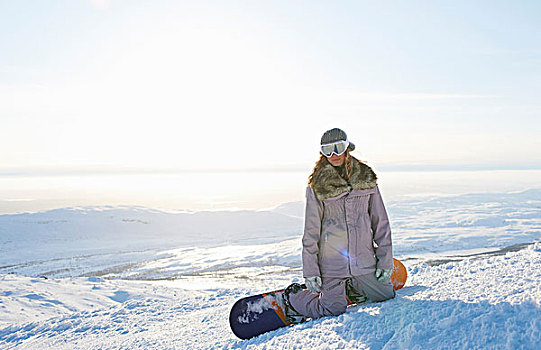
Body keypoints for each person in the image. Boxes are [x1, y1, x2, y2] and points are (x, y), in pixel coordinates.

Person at [283, 128, 395, 321]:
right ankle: (294, 297)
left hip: (363, 260)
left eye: (338, 148)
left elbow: (381, 223)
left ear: (347, 148)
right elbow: (311, 232)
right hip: (332, 264)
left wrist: (385, 260)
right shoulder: (316, 187)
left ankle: (353, 286)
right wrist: (311, 270)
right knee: (331, 309)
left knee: (386, 296)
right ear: (322, 153)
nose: (334, 154)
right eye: (328, 150)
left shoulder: (367, 181)